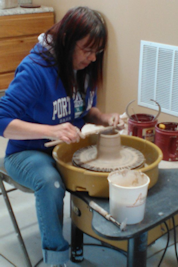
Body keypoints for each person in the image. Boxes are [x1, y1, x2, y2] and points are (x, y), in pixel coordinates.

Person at [0, 6, 122, 267]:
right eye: (87, 50)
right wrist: (50, 130)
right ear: (67, 41)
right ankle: (56, 260)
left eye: (96, 52)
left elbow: (84, 109)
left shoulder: (84, 68)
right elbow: (2, 120)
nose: (92, 58)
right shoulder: (35, 69)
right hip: (25, 152)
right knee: (50, 181)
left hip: (64, 150)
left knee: (107, 166)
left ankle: (102, 234)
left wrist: (104, 119)